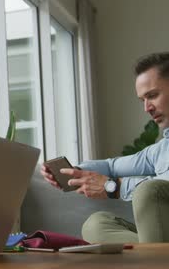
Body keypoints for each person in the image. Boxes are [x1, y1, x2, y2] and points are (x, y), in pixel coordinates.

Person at [41, 52, 169, 244]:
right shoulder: (161, 149)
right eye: (142, 100)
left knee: (150, 190)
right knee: (97, 224)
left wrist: (112, 187)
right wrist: (74, 172)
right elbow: (112, 166)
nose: (147, 108)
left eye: (152, 96)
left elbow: (158, 187)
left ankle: (151, 262)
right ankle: (152, 258)